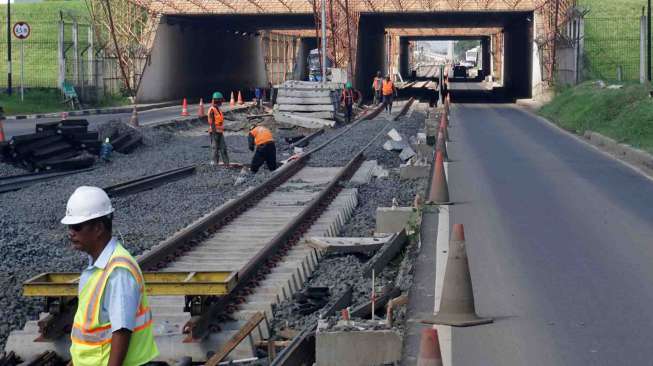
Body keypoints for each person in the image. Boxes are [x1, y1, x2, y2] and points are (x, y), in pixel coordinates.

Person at [62, 186, 158, 366]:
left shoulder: (118, 271)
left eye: (76, 226)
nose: (70, 232)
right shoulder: (97, 267)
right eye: (69, 226)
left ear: (98, 228)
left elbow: (121, 330)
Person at [207, 91, 230, 166]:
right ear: (217, 100)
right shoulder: (212, 110)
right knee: (215, 149)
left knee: (223, 148)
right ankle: (214, 164)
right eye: (221, 101)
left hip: (220, 132)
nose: (222, 102)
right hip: (214, 132)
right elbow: (212, 122)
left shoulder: (218, 109)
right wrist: (214, 134)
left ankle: (226, 164)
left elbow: (219, 120)